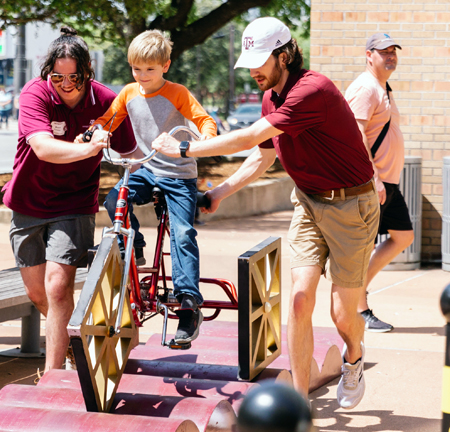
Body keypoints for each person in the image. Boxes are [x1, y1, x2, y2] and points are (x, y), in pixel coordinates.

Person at [151, 17, 378, 408]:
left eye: (261, 60)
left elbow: (249, 136)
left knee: (342, 313)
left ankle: (354, 355)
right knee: (300, 301)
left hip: (350, 205)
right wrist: (221, 191)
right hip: (308, 202)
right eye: (250, 61)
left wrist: (185, 150)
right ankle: (299, 407)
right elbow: (263, 154)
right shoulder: (272, 97)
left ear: (285, 55)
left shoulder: (312, 90)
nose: (254, 70)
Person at [1, 27, 137, 373]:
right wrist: (89, 147)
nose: (64, 84)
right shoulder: (35, 93)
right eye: (57, 76)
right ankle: (81, 339)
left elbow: (131, 151)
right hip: (28, 201)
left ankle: (52, 374)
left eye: (73, 77)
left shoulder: (107, 101)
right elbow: (44, 148)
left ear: (87, 73)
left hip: (74, 204)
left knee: (58, 287)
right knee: (39, 295)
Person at [90, 30, 217, 345]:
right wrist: (96, 132)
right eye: (136, 69)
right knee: (113, 201)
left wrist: (206, 139)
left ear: (165, 66)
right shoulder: (129, 93)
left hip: (178, 173)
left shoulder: (178, 93)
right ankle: (135, 248)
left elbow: (205, 121)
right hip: (146, 167)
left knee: (183, 233)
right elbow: (108, 120)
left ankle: (188, 305)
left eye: (150, 69)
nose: (142, 75)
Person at [345, 33, 414, 333]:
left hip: (388, 181)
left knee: (404, 236)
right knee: (363, 248)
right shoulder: (365, 87)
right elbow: (355, 136)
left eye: (393, 51)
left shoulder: (383, 87)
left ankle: (359, 293)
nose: (390, 56)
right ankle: (358, 309)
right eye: (383, 51)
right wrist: (373, 178)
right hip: (372, 182)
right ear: (368, 55)